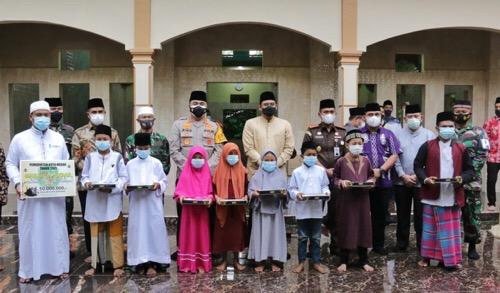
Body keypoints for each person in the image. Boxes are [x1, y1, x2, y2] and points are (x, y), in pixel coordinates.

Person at [6, 101, 70, 283]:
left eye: (46, 115)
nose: (43, 118)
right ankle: (27, 270)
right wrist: (18, 183)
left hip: (54, 195)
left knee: (56, 229)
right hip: (30, 195)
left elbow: (66, 163)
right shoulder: (20, 138)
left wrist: (66, 182)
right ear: (30, 117)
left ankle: (58, 267)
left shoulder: (58, 139)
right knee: (30, 230)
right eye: (39, 115)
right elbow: (10, 163)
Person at [414, 111, 474, 270]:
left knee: (450, 232)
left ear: (454, 128)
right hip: (431, 195)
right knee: (430, 230)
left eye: (450, 126)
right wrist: (425, 179)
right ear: (436, 128)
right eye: (444, 126)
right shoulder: (427, 146)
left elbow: (470, 170)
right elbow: (418, 166)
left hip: (452, 194)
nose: (447, 129)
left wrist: (462, 179)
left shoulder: (461, 148)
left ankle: (451, 260)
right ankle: (426, 258)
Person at [169, 91, 224, 260]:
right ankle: (182, 249)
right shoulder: (178, 125)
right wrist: (189, 168)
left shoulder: (215, 126)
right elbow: (174, 149)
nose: (198, 106)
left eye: (201, 102)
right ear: (189, 104)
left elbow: (219, 149)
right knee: (184, 214)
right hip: (185, 178)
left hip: (208, 178)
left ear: (206, 105)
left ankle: (208, 248)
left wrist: (206, 168)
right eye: (194, 102)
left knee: (208, 214)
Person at [72, 98, 121, 261]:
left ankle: (109, 252)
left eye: (100, 111)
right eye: (94, 112)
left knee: (110, 216)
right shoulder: (79, 133)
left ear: (105, 113)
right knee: (90, 217)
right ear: (88, 114)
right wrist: (91, 172)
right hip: (87, 184)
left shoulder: (113, 133)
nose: (97, 114)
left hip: (110, 184)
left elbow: (119, 156)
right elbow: (75, 158)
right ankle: (91, 252)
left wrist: (108, 177)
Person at [80, 124, 127, 277]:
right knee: (96, 233)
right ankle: (95, 265)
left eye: (104, 139)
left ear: (111, 141)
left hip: (112, 199)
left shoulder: (117, 157)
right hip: (94, 199)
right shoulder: (89, 157)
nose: (102, 141)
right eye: (99, 139)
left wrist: (113, 188)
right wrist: (86, 183)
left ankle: (117, 265)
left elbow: (123, 178)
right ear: (95, 140)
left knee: (114, 232)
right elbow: (84, 176)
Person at [302, 99, 346, 255]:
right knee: (314, 212)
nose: (329, 114)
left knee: (336, 212)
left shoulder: (342, 132)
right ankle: (312, 247)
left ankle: (336, 245)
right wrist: (324, 170)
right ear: (319, 114)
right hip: (316, 176)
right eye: (326, 112)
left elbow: (346, 155)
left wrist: (336, 169)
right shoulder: (311, 131)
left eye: (331, 112)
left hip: (336, 177)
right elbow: (305, 153)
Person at [126, 133, 170, 277]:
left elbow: (164, 181)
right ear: (135, 148)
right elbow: (124, 183)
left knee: (154, 231)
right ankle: (139, 263)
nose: (143, 150)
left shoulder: (156, 163)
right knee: (138, 232)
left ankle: (154, 262)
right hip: (137, 204)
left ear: (150, 147)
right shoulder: (130, 164)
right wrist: (128, 186)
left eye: (145, 147)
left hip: (153, 204)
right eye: (140, 147)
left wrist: (158, 184)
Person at [393, 104, 435, 253]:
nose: (413, 119)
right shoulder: (397, 135)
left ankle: (421, 244)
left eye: (416, 116)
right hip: (401, 181)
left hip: (421, 183)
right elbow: (394, 157)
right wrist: (402, 175)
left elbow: (431, 160)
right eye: (410, 117)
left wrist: (419, 176)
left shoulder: (429, 135)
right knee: (402, 214)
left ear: (421, 118)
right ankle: (401, 243)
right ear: (405, 118)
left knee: (420, 215)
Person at [360, 102, 401, 255]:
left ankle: (378, 245)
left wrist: (381, 170)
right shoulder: (358, 134)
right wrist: (370, 172)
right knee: (363, 215)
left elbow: (395, 154)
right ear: (364, 116)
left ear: (381, 115)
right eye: (370, 115)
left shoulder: (388, 134)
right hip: (363, 183)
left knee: (380, 216)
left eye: (376, 114)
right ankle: (363, 245)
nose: (373, 117)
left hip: (384, 181)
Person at [333, 130, 375, 272]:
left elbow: (371, 175)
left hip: (363, 200)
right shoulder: (341, 161)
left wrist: (370, 181)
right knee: (346, 227)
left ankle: (363, 260)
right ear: (347, 145)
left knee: (364, 227)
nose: (357, 146)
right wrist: (341, 182)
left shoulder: (366, 160)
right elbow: (334, 178)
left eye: (359, 143)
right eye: (354, 143)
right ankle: (344, 260)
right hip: (347, 201)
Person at [452, 100, 489, 260]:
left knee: (471, 215)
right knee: (451, 216)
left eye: (464, 111)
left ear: (470, 113)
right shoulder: (447, 130)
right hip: (450, 182)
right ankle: (451, 246)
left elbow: (482, 156)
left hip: (471, 183)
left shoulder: (479, 132)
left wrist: (465, 175)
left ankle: (472, 245)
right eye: (457, 110)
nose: (460, 114)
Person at [289, 141, 330, 274]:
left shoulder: (321, 171)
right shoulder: (297, 172)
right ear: (302, 156)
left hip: (317, 210)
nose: (312, 157)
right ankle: (301, 262)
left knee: (316, 238)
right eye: (309, 154)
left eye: (314, 154)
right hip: (302, 210)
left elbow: (325, 186)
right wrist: (297, 194)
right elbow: (292, 189)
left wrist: (326, 193)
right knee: (302, 238)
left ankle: (316, 262)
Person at [174, 147, 214, 273]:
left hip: (201, 213)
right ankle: (187, 264)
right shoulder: (185, 174)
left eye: (200, 157)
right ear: (190, 159)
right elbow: (177, 193)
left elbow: (210, 193)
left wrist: (209, 198)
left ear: (204, 159)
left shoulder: (207, 173)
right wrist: (182, 198)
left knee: (202, 236)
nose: (198, 160)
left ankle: (201, 263)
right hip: (188, 213)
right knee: (188, 236)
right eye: (195, 158)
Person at [247, 149, 288, 272]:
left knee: (275, 236)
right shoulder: (256, 176)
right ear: (262, 161)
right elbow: (250, 191)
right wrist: (253, 194)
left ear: (276, 161)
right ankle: (260, 261)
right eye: (266, 160)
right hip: (260, 211)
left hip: (276, 212)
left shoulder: (280, 176)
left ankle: (276, 260)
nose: (269, 162)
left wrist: (284, 194)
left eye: (272, 160)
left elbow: (286, 193)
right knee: (261, 235)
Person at [45, 97, 76, 249]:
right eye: (52, 109)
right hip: (44, 180)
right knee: (47, 217)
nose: (56, 112)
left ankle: (65, 249)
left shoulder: (69, 131)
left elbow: (73, 154)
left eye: (59, 108)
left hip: (64, 181)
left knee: (66, 214)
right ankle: (48, 248)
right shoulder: (41, 130)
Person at [212, 143, 248, 271]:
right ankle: (224, 261)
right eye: (230, 154)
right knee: (223, 236)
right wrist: (217, 198)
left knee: (237, 235)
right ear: (224, 155)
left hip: (237, 209)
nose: (233, 157)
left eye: (235, 154)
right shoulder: (218, 170)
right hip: (223, 209)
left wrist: (245, 197)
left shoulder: (243, 170)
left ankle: (237, 261)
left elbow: (247, 188)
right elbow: (213, 189)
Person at [242, 91, 295, 178]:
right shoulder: (250, 123)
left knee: (278, 191)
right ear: (260, 107)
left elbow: (289, 148)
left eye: (272, 104)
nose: (269, 106)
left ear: (276, 106)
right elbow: (248, 148)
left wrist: (276, 163)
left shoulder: (285, 124)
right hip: (256, 171)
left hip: (279, 170)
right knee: (256, 192)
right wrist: (262, 163)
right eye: (266, 104)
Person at [124, 106, 170, 175]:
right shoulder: (131, 140)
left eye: (149, 117)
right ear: (138, 120)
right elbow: (127, 162)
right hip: (136, 180)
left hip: (156, 181)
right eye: (144, 117)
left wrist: (158, 178)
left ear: (154, 119)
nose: (147, 119)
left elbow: (166, 164)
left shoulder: (162, 139)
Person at [483, 97, 500, 211]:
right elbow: (484, 139)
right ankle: (491, 202)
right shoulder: (489, 123)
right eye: (497, 107)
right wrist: (486, 152)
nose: (498, 109)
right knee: (491, 180)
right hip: (493, 157)